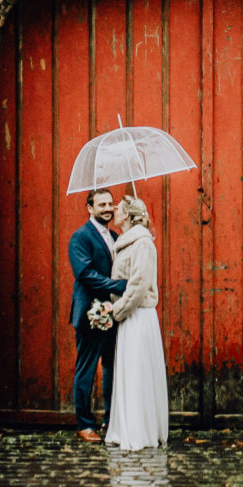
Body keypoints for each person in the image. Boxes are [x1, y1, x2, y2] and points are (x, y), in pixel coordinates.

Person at [105, 195, 169, 451]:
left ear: (129, 216)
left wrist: (116, 310)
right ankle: (126, 427)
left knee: (138, 373)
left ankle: (141, 432)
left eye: (118, 209)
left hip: (138, 315)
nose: (114, 211)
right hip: (129, 316)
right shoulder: (126, 242)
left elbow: (139, 285)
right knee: (130, 372)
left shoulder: (142, 243)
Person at [68, 189, 128, 442]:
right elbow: (85, 274)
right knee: (87, 368)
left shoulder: (115, 236)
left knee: (113, 368)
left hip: (113, 312)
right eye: (101, 204)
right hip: (90, 312)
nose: (107, 208)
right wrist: (117, 286)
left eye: (110, 204)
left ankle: (110, 420)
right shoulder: (80, 237)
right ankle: (84, 424)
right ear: (89, 208)